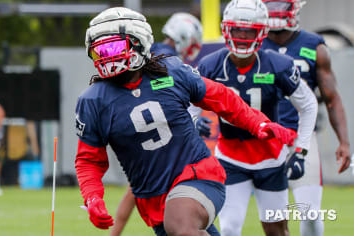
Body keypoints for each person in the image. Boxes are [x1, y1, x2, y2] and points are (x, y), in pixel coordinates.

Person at [75, 6, 296, 236]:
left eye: (114, 47)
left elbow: (221, 97)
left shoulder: (170, 72)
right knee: (181, 228)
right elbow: (89, 160)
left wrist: (257, 123)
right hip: (153, 198)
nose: (108, 56)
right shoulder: (93, 101)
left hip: (197, 175)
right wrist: (92, 196)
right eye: (101, 51)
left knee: (180, 226)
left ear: (138, 41)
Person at [197, 0, 318, 235]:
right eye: (237, 29)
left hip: (271, 159)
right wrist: (193, 121)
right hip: (231, 158)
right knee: (230, 228)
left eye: (249, 30)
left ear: (262, 31)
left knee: (276, 230)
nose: (242, 36)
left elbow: (309, 105)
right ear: (226, 30)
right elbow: (186, 101)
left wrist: (301, 151)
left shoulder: (278, 65)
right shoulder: (211, 65)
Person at [109, 12, 210, 236]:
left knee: (136, 189)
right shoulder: (169, 61)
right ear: (185, 37)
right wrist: (191, 121)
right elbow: (167, 102)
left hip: (134, 128)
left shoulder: (148, 50)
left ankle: (114, 233)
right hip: (160, 139)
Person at [261, 0, 352, 235]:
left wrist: (343, 141)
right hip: (261, 140)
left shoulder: (314, 45)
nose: (276, 10)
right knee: (271, 219)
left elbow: (331, 98)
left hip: (300, 138)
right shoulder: (254, 43)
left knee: (310, 213)